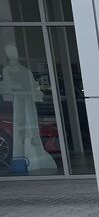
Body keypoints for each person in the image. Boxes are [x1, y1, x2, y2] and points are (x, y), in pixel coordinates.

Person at [1, 43, 57, 174]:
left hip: (27, 101)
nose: (12, 54)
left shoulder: (26, 70)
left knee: (31, 126)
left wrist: (33, 91)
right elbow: (9, 87)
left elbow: (32, 87)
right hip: (18, 102)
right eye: (10, 52)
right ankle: (23, 158)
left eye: (13, 52)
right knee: (20, 128)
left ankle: (33, 156)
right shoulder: (7, 70)